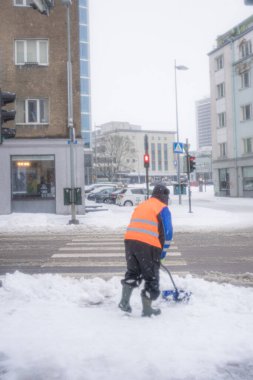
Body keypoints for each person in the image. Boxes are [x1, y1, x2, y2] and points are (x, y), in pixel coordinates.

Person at [119, 183, 173, 317]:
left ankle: (124, 302)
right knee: (151, 277)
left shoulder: (143, 205)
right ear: (165, 196)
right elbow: (167, 234)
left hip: (130, 241)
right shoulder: (162, 208)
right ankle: (147, 309)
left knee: (133, 272)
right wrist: (162, 254)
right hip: (148, 244)